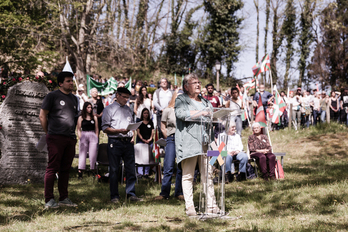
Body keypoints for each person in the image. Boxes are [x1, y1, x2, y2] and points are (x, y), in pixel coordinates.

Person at [175, 73, 220, 216]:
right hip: (189, 142)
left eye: (199, 82)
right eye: (194, 82)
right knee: (188, 175)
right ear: (186, 87)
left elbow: (212, 117)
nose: (198, 84)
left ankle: (211, 206)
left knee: (208, 175)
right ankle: (190, 207)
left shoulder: (205, 101)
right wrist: (201, 113)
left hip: (205, 143)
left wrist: (214, 144)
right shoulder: (181, 99)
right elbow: (180, 114)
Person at [39, 71, 78, 209]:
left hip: (70, 138)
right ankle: (49, 200)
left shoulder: (75, 99)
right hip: (55, 137)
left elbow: (74, 118)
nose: (71, 83)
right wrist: (48, 133)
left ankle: (64, 198)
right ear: (61, 83)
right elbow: (42, 115)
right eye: (68, 81)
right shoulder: (52, 96)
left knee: (65, 169)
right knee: (52, 168)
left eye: (72, 81)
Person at [101, 87, 143, 203]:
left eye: (128, 98)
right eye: (124, 97)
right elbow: (105, 128)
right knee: (114, 170)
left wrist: (132, 135)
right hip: (115, 142)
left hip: (128, 142)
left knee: (130, 169)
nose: (126, 100)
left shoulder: (128, 109)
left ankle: (131, 194)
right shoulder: (109, 109)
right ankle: (114, 196)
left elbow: (131, 124)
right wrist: (118, 131)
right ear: (117, 95)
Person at [154, 92, 184, 200]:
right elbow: (162, 127)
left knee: (181, 166)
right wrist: (169, 138)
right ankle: (164, 193)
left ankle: (179, 192)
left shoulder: (185, 111)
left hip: (183, 140)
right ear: (174, 97)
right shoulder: (167, 110)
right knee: (168, 166)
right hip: (171, 138)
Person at [76, 102, 99, 179]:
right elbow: (78, 129)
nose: (89, 109)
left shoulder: (94, 117)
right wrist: (80, 137)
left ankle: (93, 169)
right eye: (88, 107)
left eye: (90, 107)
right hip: (84, 135)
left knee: (93, 154)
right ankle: (80, 170)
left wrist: (96, 137)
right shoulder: (81, 118)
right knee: (82, 153)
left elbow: (97, 129)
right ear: (85, 108)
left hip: (92, 135)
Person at [136, 108, 154, 178]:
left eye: (147, 113)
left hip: (149, 142)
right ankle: (140, 173)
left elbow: (152, 132)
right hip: (141, 142)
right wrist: (143, 139)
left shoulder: (151, 122)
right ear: (142, 114)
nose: (146, 114)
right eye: (144, 113)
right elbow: (138, 132)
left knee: (148, 158)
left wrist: (150, 139)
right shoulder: (140, 122)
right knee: (140, 157)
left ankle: (146, 173)